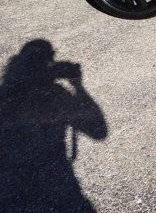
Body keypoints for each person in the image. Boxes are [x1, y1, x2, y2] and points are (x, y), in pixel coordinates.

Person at [0, 40, 107, 212]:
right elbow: (99, 131)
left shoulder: (4, 95)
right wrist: (78, 87)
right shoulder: (54, 95)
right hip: (56, 184)